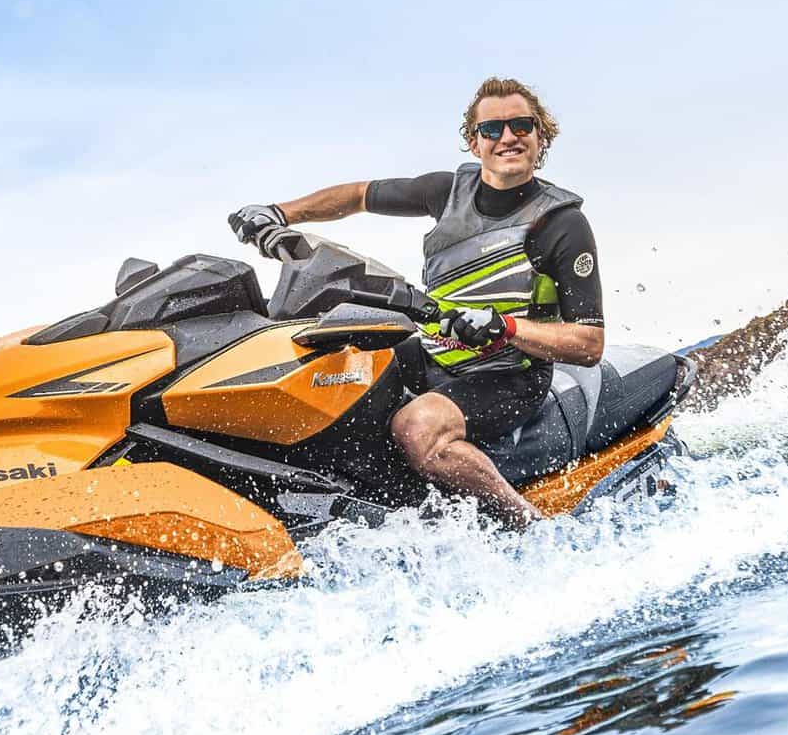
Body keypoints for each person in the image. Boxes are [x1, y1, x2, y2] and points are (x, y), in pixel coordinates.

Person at [228, 77, 605, 527]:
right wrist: (280, 213)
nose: (508, 137)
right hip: (432, 354)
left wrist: (506, 327)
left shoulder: (562, 224)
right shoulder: (446, 192)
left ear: (541, 135)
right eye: (492, 129)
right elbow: (358, 196)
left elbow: (589, 343)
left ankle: (529, 526)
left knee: (417, 427)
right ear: (474, 142)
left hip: (507, 375)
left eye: (521, 126)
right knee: (324, 365)